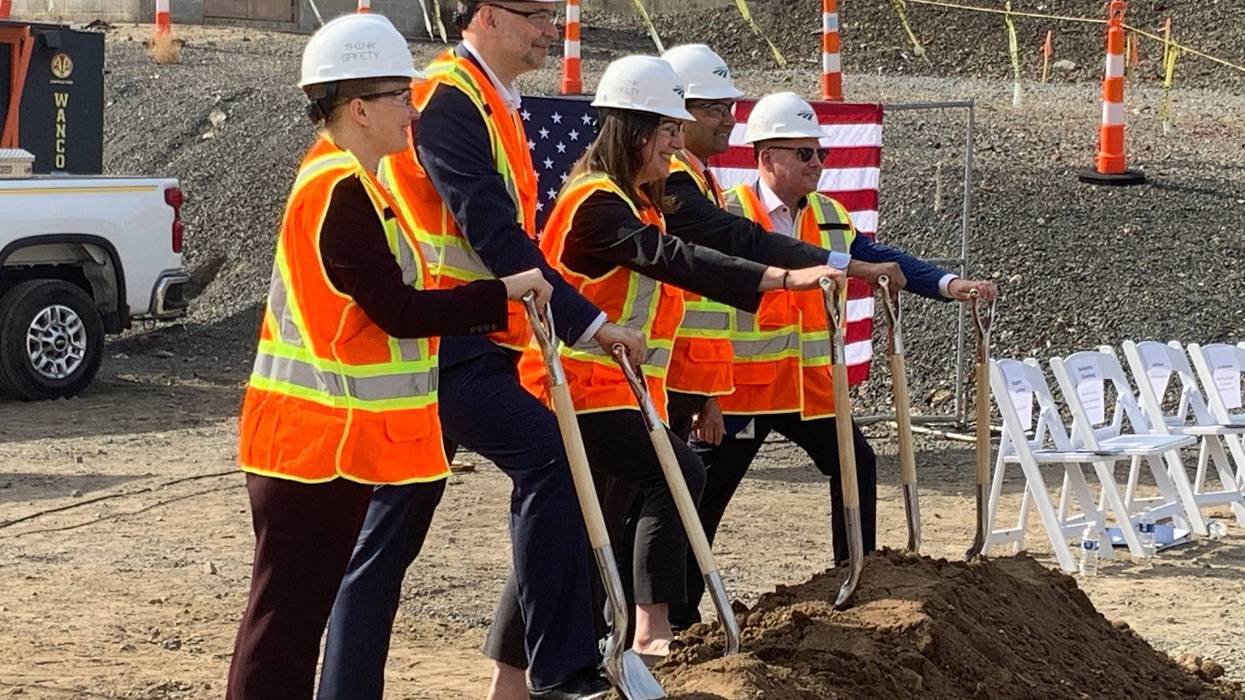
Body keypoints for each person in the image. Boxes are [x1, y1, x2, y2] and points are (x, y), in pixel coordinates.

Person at [315, 3, 647, 700]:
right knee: (549, 457)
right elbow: (489, 227)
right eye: (535, 14)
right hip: (442, 342)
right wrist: (586, 322)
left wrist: (588, 324)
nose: (549, 27)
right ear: (489, 16)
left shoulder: (496, 104)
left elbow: (510, 242)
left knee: (387, 539)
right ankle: (558, 671)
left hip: (469, 342)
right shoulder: (448, 97)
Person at [481, 55, 845, 684]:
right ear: (634, 131)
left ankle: (511, 683)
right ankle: (652, 628)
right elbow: (673, 258)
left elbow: (718, 243)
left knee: (561, 535)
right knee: (675, 470)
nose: (677, 144)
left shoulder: (636, 199)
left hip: (618, 391)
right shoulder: (597, 205)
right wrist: (783, 278)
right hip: (574, 391)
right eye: (668, 132)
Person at [225, 14, 553, 700]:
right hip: (311, 446)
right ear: (359, 107)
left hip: (329, 447)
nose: (414, 110)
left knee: (294, 618)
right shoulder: (338, 189)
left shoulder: (358, 183)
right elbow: (396, 311)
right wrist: (499, 297)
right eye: (402, 97)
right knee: (283, 628)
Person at [670, 91, 998, 629]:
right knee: (704, 493)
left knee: (855, 465)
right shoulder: (725, 215)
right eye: (803, 154)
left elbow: (874, 259)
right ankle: (678, 613)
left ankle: (856, 572)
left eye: (819, 154)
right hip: (739, 391)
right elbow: (697, 315)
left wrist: (949, 283)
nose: (817, 164)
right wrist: (704, 396)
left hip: (806, 388)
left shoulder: (827, 213)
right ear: (766, 157)